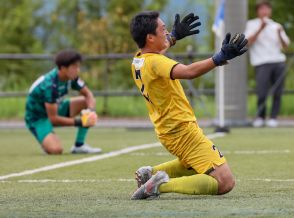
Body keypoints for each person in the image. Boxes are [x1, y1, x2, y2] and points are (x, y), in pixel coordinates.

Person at [129, 11, 248, 200]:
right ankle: (159, 185)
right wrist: (218, 58)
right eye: (163, 29)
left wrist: (174, 36)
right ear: (150, 38)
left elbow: (158, 50)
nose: (166, 32)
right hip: (182, 130)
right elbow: (188, 71)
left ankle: (150, 174)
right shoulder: (157, 62)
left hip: (168, 130)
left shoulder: (138, 60)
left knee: (195, 164)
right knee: (225, 181)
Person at [25, 49, 102, 154]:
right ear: (62, 68)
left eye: (78, 66)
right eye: (74, 67)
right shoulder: (50, 85)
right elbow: (53, 119)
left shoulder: (72, 77)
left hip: (56, 108)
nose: (77, 70)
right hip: (38, 118)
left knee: (85, 101)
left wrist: (91, 112)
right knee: (56, 150)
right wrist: (81, 121)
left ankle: (79, 145)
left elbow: (88, 95)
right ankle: (46, 140)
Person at [244, 0, 290, 128]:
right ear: (258, 11)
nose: (264, 11)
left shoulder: (277, 26)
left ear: (270, 10)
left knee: (277, 92)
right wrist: (261, 28)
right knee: (262, 91)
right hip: (261, 62)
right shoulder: (251, 24)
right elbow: (248, 42)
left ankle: (273, 117)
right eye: (261, 9)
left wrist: (280, 33)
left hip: (278, 61)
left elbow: (285, 46)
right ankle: (260, 116)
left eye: (266, 8)